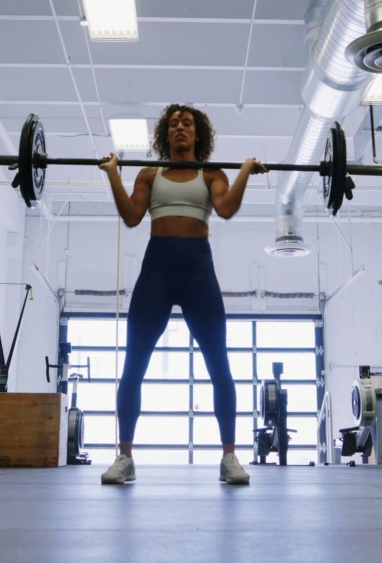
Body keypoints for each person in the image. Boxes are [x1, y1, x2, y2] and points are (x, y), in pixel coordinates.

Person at [97, 104, 266, 485]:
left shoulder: (211, 174)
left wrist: (243, 172)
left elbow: (225, 208)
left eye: (187, 123)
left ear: (197, 134)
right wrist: (112, 175)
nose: (180, 128)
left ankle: (229, 458)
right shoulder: (148, 173)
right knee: (133, 367)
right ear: (166, 135)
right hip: (156, 271)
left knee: (218, 365)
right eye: (173, 124)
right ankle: (125, 457)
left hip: (197, 274)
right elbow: (131, 216)